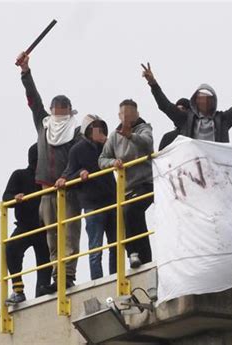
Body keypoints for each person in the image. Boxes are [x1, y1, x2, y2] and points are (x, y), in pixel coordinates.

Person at [16, 52, 81, 293]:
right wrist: (26, 72)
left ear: (70, 110)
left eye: (63, 108)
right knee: (52, 236)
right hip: (46, 189)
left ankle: (69, 274)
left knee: (70, 234)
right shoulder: (44, 125)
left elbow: (76, 158)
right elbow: (33, 100)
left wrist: (67, 176)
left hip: (69, 189)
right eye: (56, 108)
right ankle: (58, 274)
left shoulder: (76, 130)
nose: (59, 112)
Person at [142, 63, 232, 142]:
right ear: (195, 101)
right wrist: (153, 83)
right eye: (200, 98)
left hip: (216, 167)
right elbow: (165, 105)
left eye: (207, 98)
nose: (204, 101)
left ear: (213, 101)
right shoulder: (185, 119)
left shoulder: (223, 120)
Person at [99, 99, 154, 268]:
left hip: (145, 184)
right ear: (119, 115)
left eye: (130, 114)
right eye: (123, 114)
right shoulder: (115, 136)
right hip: (126, 188)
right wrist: (113, 162)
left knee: (130, 211)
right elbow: (102, 159)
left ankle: (133, 253)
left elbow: (147, 143)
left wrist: (131, 135)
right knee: (134, 220)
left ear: (137, 114)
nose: (127, 118)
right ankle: (144, 259)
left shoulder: (144, 128)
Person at [62, 115, 116, 280]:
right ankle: (98, 281)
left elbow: (122, 154)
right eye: (94, 128)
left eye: (100, 127)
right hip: (92, 204)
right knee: (95, 247)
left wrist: (109, 142)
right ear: (87, 130)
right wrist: (80, 173)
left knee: (116, 244)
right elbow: (68, 175)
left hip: (112, 201)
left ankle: (115, 276)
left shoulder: (107, 146)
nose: (98, 131)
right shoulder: (77, 150)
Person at [3, 144, 52, 305]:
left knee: (45, 261)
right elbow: (6, 197)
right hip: (25, 225)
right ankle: (18, 290)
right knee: (11, 248)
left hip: (44, 227)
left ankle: (42, 293)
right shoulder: (20, 175)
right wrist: (15, 197)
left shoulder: (48, 178)